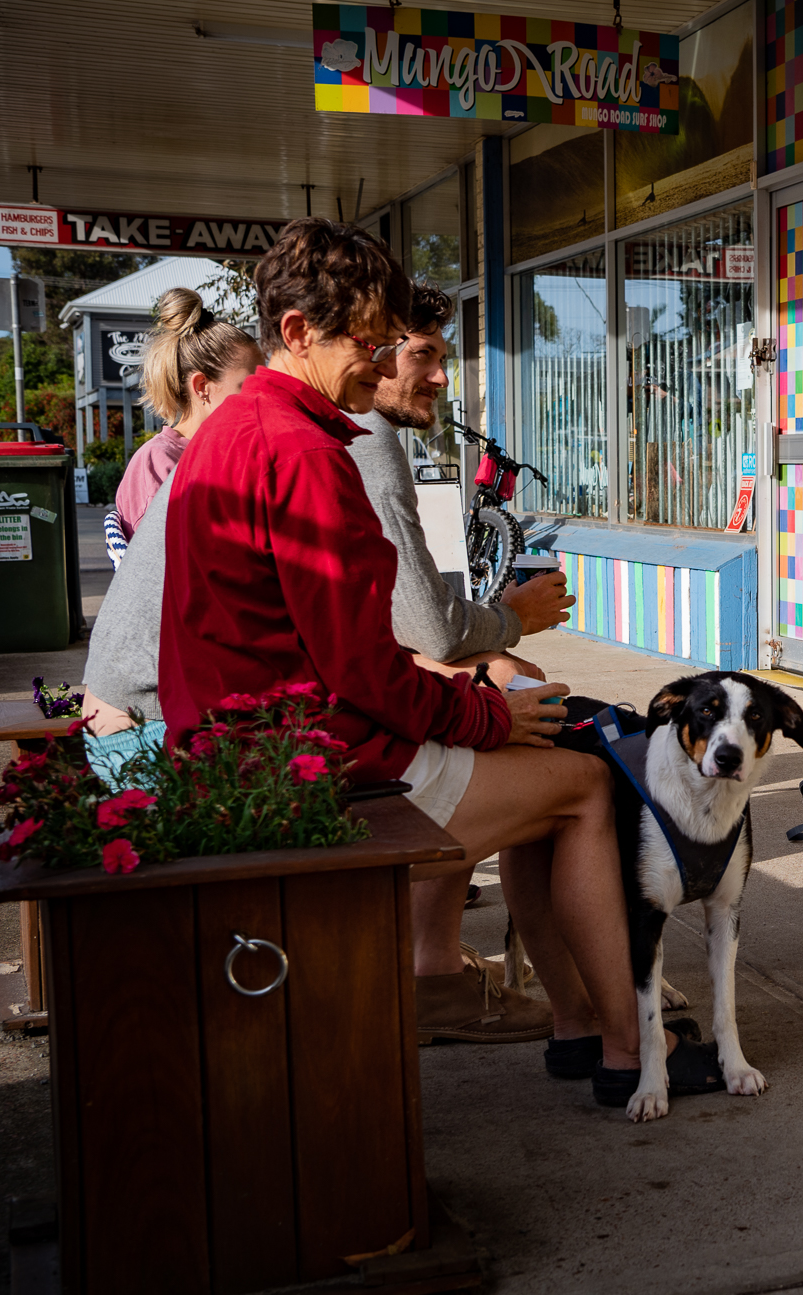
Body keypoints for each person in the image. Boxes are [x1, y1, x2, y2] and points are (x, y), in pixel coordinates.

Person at [158, 218, 712, 1105]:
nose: (379, 366)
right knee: (582, 787)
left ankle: (579, 1028)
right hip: (309, 767)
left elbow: (333, 648)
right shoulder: (303, 451)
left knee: (545, 761)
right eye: (368, 344)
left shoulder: (235, 428)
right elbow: (361, 670)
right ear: (298, 334)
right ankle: (622, 1049)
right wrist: (484, 712)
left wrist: (484, 708)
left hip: (251, 745)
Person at [348, 281, 574, 684]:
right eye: (421, 355)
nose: (441, 378)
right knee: (521, 681)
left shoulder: (341, 428)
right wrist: (516, 615)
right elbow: (435, 632)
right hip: (325, 704)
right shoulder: (367, 437)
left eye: (443, 360)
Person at [115, 288, 259, 538]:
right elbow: (163, 563)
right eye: (247, 385)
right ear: (202, 387)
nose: (260, 395)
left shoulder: (236, 450)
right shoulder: (158, 462)